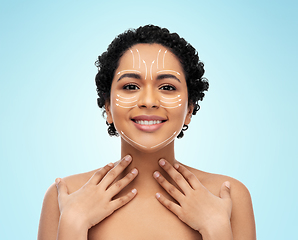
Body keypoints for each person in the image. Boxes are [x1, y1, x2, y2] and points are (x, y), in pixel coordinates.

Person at [38, 25, 256, 240]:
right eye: (131, 86)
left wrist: (216, 228)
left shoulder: (226, 196)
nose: (149, 101)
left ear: (189, 108)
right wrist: (73, 223)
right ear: (108, 106)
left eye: (167, 87)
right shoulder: (66, 197)